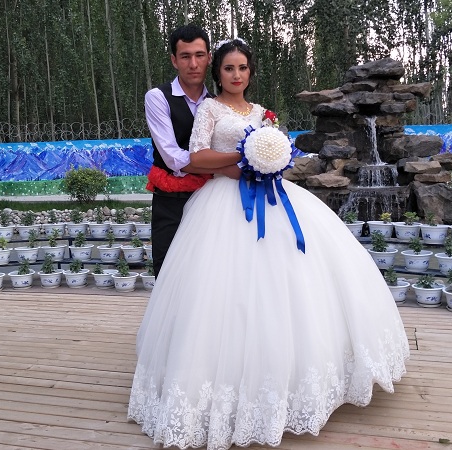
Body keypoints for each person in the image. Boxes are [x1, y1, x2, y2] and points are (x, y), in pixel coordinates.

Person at [128, 38, 410, 450]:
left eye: (242, 68)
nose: (236, 75)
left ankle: (295, 374)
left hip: (272, 198)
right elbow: (195, 156)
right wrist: (242, 159)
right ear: (218, 72)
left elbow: (279, 156)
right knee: (220, 293)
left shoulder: (263, 114)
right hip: (222, 203)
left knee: (289, 281)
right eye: (228, 68)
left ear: (250, 73)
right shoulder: (209, 109)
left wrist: (271, 160)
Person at [145, 24, 241, 277]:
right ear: (174, 60)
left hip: (213, 200)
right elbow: (171, 156)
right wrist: (228, 166)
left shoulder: (219, 104)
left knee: (207, 275)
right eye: (185, 56)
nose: (193, 64)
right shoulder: (158, 97)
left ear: (209, 57)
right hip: (171, 201)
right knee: (167, 273)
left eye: (199, 55)